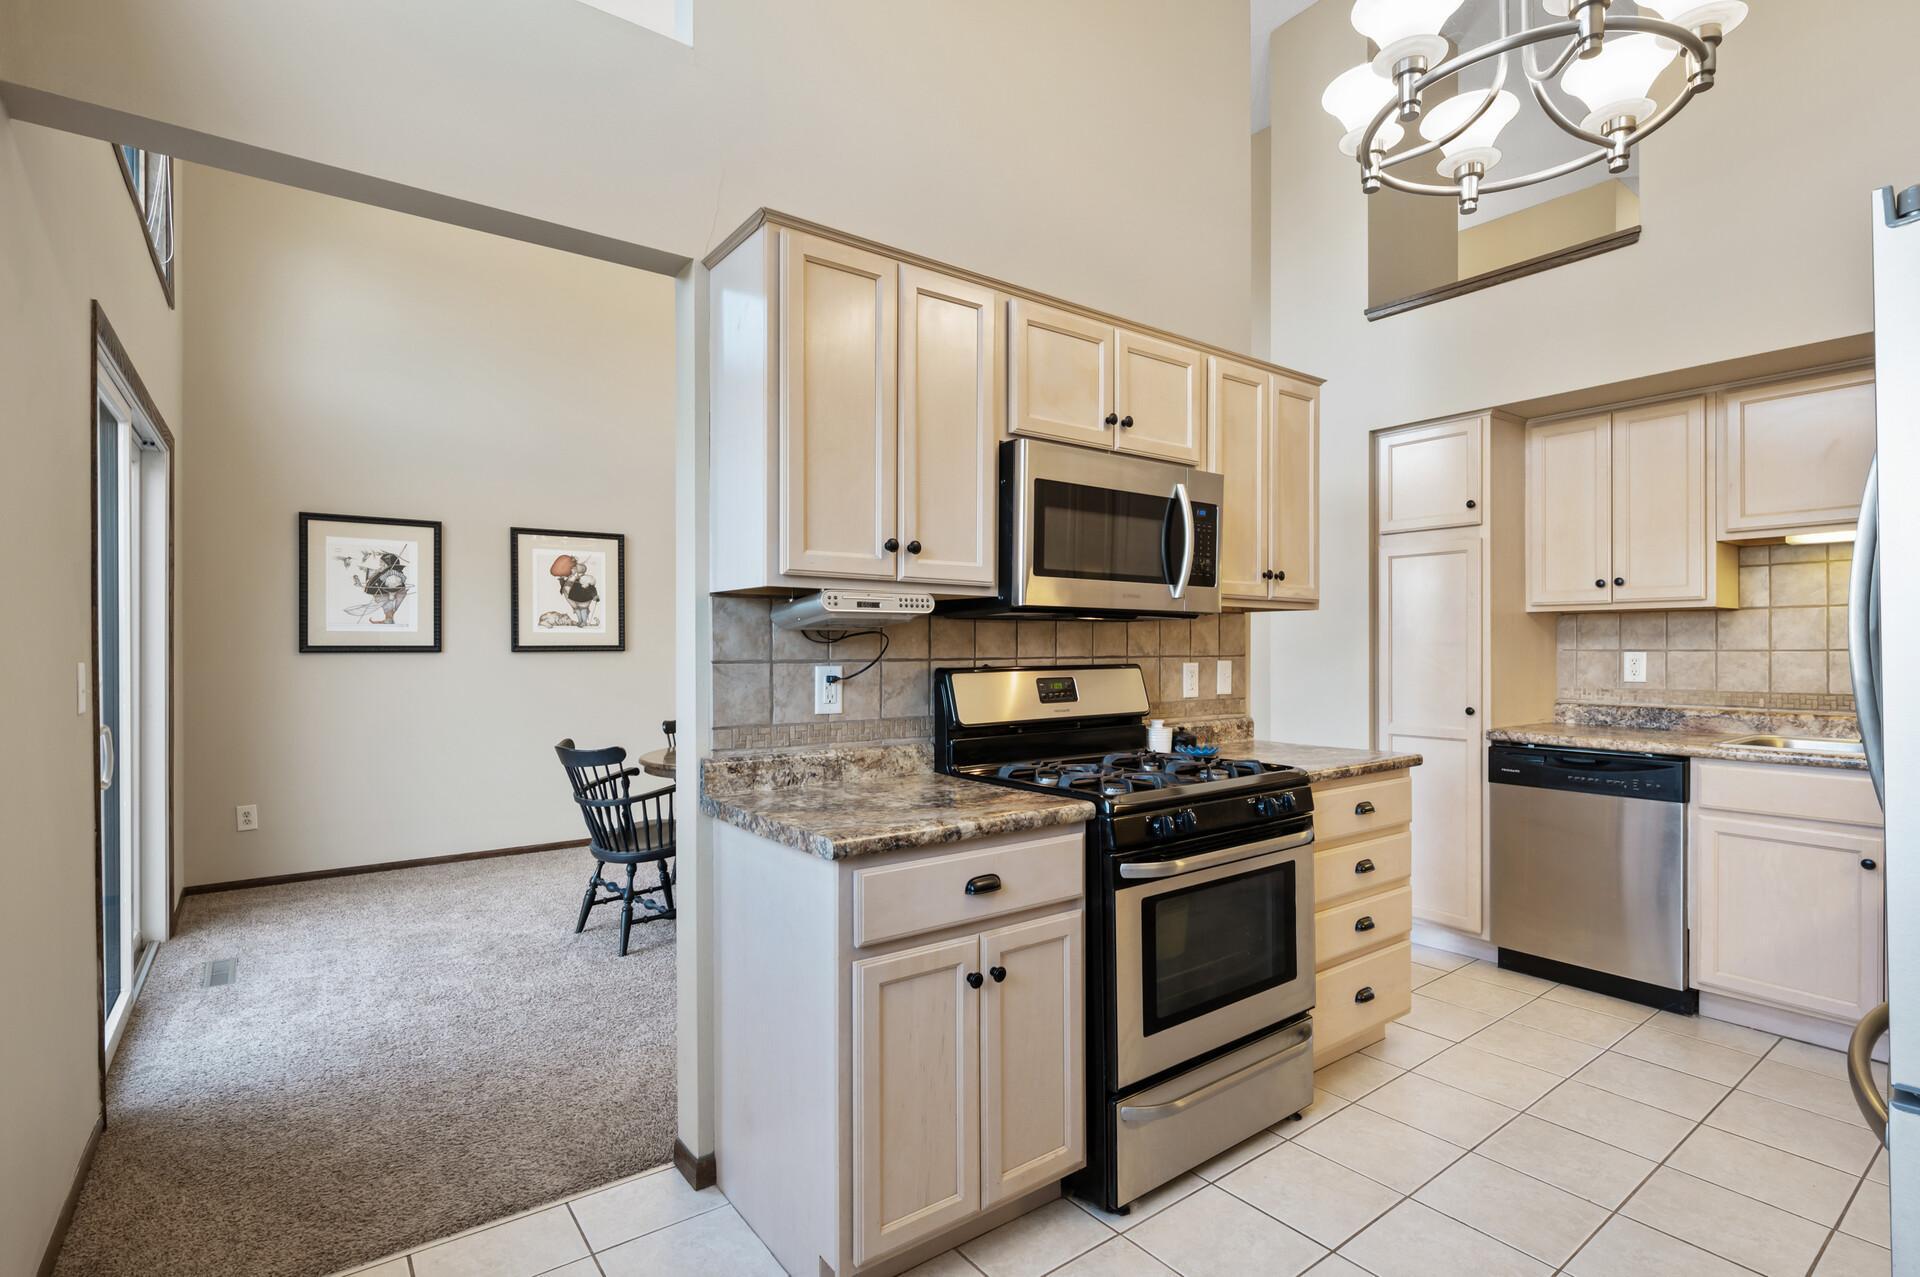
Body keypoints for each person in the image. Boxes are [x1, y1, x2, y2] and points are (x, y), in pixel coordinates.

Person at [559, 556, 598, 627]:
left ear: (578, 570)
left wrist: (595, 595)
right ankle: (580, 621)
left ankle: (584, 622)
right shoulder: (573, 577)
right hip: (575, 597)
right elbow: (567, 585)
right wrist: (562, 581)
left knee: (583, 610)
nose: (571, 569)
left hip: (584, 598)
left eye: (573, 568)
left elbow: (592, 588)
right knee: (577, 610)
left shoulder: (586, 578)